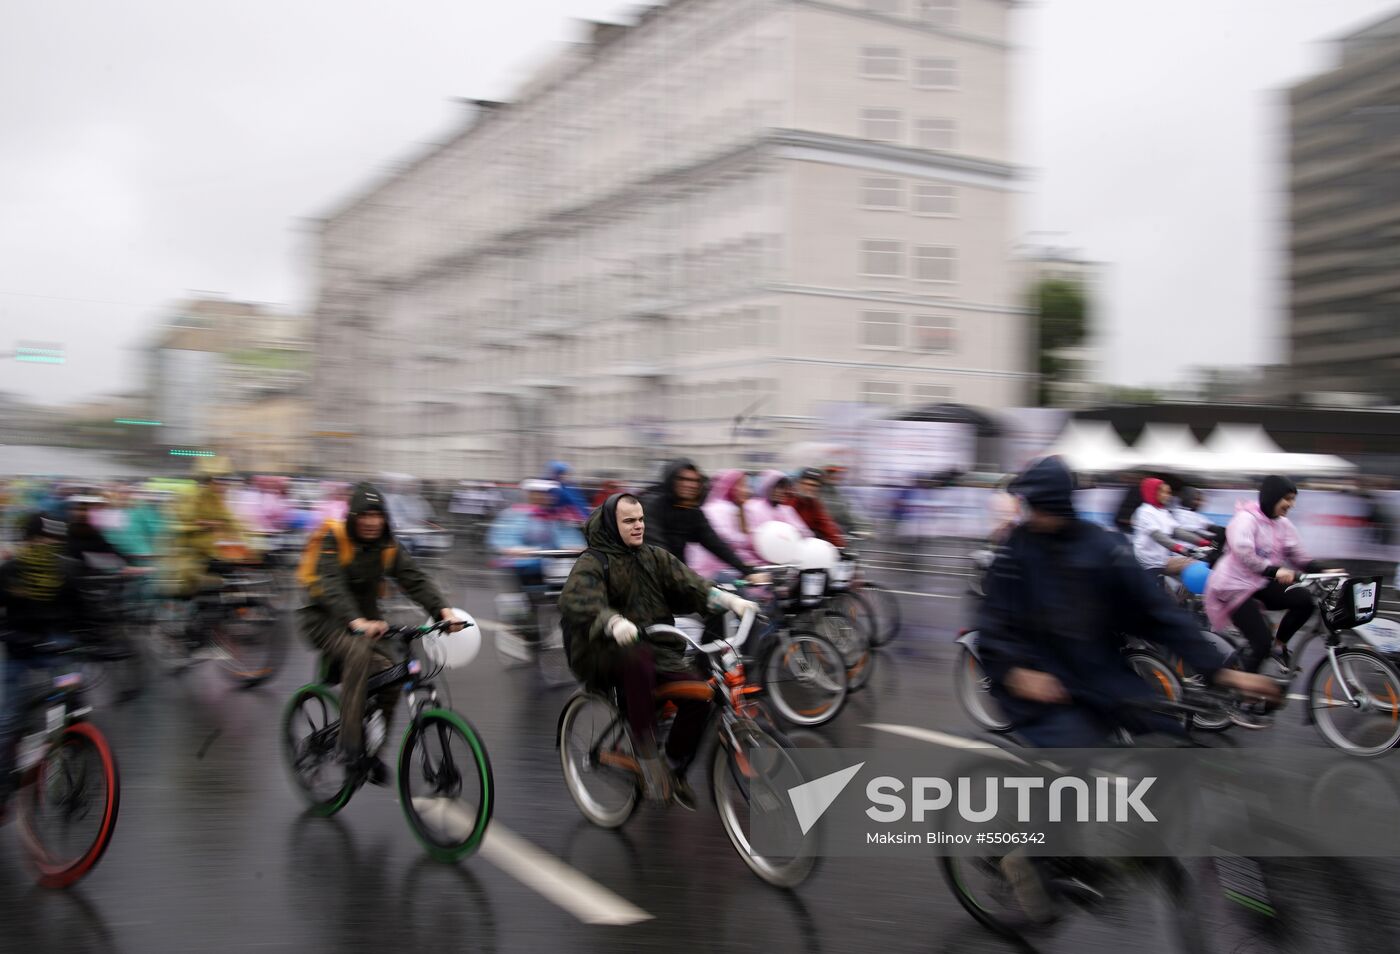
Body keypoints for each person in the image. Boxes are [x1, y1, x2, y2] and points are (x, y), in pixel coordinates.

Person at [977, 456, 1279, 749]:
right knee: (1078, 754)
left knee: (1171, 741)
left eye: (1036, 506)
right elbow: (992, 623)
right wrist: (1015, 673)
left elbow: (1157, 613)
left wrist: (1221, 672)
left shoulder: (1100, 548)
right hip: (1040, 687)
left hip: (1102, 681)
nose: (1032, 515)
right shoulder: (1017, 550)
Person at [559, 493, 758, 809]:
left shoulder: (655, 557)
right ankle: (647, 755)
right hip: (600, 650)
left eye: (640, 519)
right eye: (629, 521)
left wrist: (729, 601)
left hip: (655, 645)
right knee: (636, 657)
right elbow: (579, 601)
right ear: (612, 524)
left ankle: (674, 767)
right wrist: (612, 622)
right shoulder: (593, 562)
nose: (638, 526)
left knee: (701, 695)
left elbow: (691, 584)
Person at [296, 482, 463, 786]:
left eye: (377, 515)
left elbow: (414, 579)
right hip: (324, 620)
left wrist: (444, 612)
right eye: (364, 515)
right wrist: (356, 620)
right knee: (358, 651)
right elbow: (331, 586)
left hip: (367, 622)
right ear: (353, 517)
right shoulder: (335, 537)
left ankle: (371, 753)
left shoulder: (388, 546)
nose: (372, 522)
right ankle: (349, 747)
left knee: (393, 673)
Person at [1203, 476, 1340, 674]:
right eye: (1287, 498)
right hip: (1232, 586)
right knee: (1260, 642)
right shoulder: (1245, 520)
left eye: (1293, 499)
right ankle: (1241, 691)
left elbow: (1299, 557)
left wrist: (1323, 570)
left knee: (1304, 601)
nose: (1291, 505)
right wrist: (1275, 571)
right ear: (1272, 497)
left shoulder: (1283, 524)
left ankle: (1279, 646)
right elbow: (1245, 554)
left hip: (1259, 582)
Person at [0, 514, 87, 821]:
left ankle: (71, 742)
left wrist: (94, 638)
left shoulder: (66, 571)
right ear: (28, 541)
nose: (47, 547)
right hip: (20, 653)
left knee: (75, 693)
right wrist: (15, 636)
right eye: (41, 541)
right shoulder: (11, 572)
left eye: (53, 542)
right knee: (8, 720)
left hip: (56, 649)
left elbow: (83, 612)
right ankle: (2, 789)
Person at [488, 479, 585, 655]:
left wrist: (576, 547)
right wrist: (513, 549)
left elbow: (565, 536)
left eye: (546, 495)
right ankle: (526, 633)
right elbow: (502, 536)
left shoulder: (553, 516)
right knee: (527, 603)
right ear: (529, 495)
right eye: (537, 494)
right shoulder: (515, 514)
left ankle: (559, 633)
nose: (542, 498)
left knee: (561, 599)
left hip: (546, 566)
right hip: (519, 566)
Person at [642, 459, 762, 581]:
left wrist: (747, 571)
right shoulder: (651, 506)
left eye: (695, 481)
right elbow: (657, 548)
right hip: (646, 577)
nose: (691, 485)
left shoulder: (692, 512)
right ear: (671, 480)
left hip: (678, 577)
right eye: (683, 479)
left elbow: (714, 543)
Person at [686, 470, 761, 580]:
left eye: (748, 486)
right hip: (710, 572)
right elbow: (725, 543)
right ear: (730, 487)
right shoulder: (719, 509)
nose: (747, 490)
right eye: (742, 485)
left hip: (726, 569)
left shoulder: (737, 509)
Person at [1131, 477, 1213, 578]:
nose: (1168, 496)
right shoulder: (1145, 512)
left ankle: (1181, 592)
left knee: (1197, 564)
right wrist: (1182, 549)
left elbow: (1177, 531)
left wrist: (1203, 542)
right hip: (1148, 563)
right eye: (1163, 492)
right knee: (1195, 566)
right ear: (1152, 492)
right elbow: (1158, 536)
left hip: (1162, 561)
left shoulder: (1163, 511)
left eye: (1168, 493)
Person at [790, 469, 848, 549]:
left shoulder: (814, 504)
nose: (810, 488)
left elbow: (826, 524)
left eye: (814, 486)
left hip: (806, 548)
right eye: (807, 484)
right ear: (799, 484)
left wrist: (841, 547)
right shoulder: (789, 501)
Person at [744, 471, 811, 535]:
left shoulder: (787, 510)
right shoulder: (752, 507)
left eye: (783, 488)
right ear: (767, 487)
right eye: (776, 487)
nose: (781, 492)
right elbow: (750, 535)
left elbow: (805, 532)